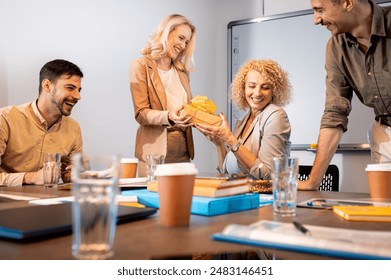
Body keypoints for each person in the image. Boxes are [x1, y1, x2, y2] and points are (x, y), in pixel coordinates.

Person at [300, 0, 391, 190]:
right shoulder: (336, 47)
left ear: (348, 3)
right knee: (384, 211)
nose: (315, 20)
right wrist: (312, 181)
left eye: (320, 10)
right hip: (384, 132)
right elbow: (335, 113)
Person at [195, 59, 292, 180]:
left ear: (274, 91)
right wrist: (219, 144)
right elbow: (227, 173)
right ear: (243, 88)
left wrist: (230, 139)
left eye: (265, 87)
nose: (257, 93)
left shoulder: (276, 116)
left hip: (261, 197)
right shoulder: (242, 122)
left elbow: (269, 175)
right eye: (251, 86)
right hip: (240, 193)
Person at [129, 14, 196, 176]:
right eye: (180, 38)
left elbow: (188, 107)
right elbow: (141, 113)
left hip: (183, 151)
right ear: (166, 32)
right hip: (154, 153)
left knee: (182, 200)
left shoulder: (182, 71)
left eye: (186, 42)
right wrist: (169, 116)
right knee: (155, 200)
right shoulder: (141, 66)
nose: (183, 45)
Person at [0, 59, 84, 187]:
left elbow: (70, 174)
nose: (78, 96)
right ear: (47, 86)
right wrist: (31, 177)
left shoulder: (74, 128)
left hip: (48, 203)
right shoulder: (5, 119)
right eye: (70, 88)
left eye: (79, 90)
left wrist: (72, 175)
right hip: (7, 203)